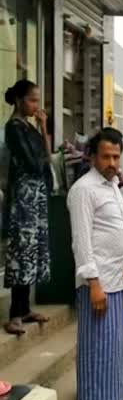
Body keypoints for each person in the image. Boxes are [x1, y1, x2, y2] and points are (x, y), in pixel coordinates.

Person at [68, 128, 123, 400]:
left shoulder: (112, 185)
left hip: (116, 282)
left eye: (116, 156)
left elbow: (117, 230)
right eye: (106, 156)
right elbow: (82, 241)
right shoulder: (84, 190)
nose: (112, 162)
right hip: (97, 286)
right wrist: (93, 281)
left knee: (114, 353)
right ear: (93, 157)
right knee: (97, 354)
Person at [3, 80, 52, 335]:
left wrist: (44, 128)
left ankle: (24, 308)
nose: (36, 106)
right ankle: (14, 313)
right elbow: (34, 163)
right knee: (22, 251)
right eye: (32, 100)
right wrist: (42, 158)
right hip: (23, 195)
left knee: (33, 251)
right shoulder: (13, 127)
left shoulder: (30, 128)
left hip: (35, 195)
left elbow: (47, 157)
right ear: (20, 101)